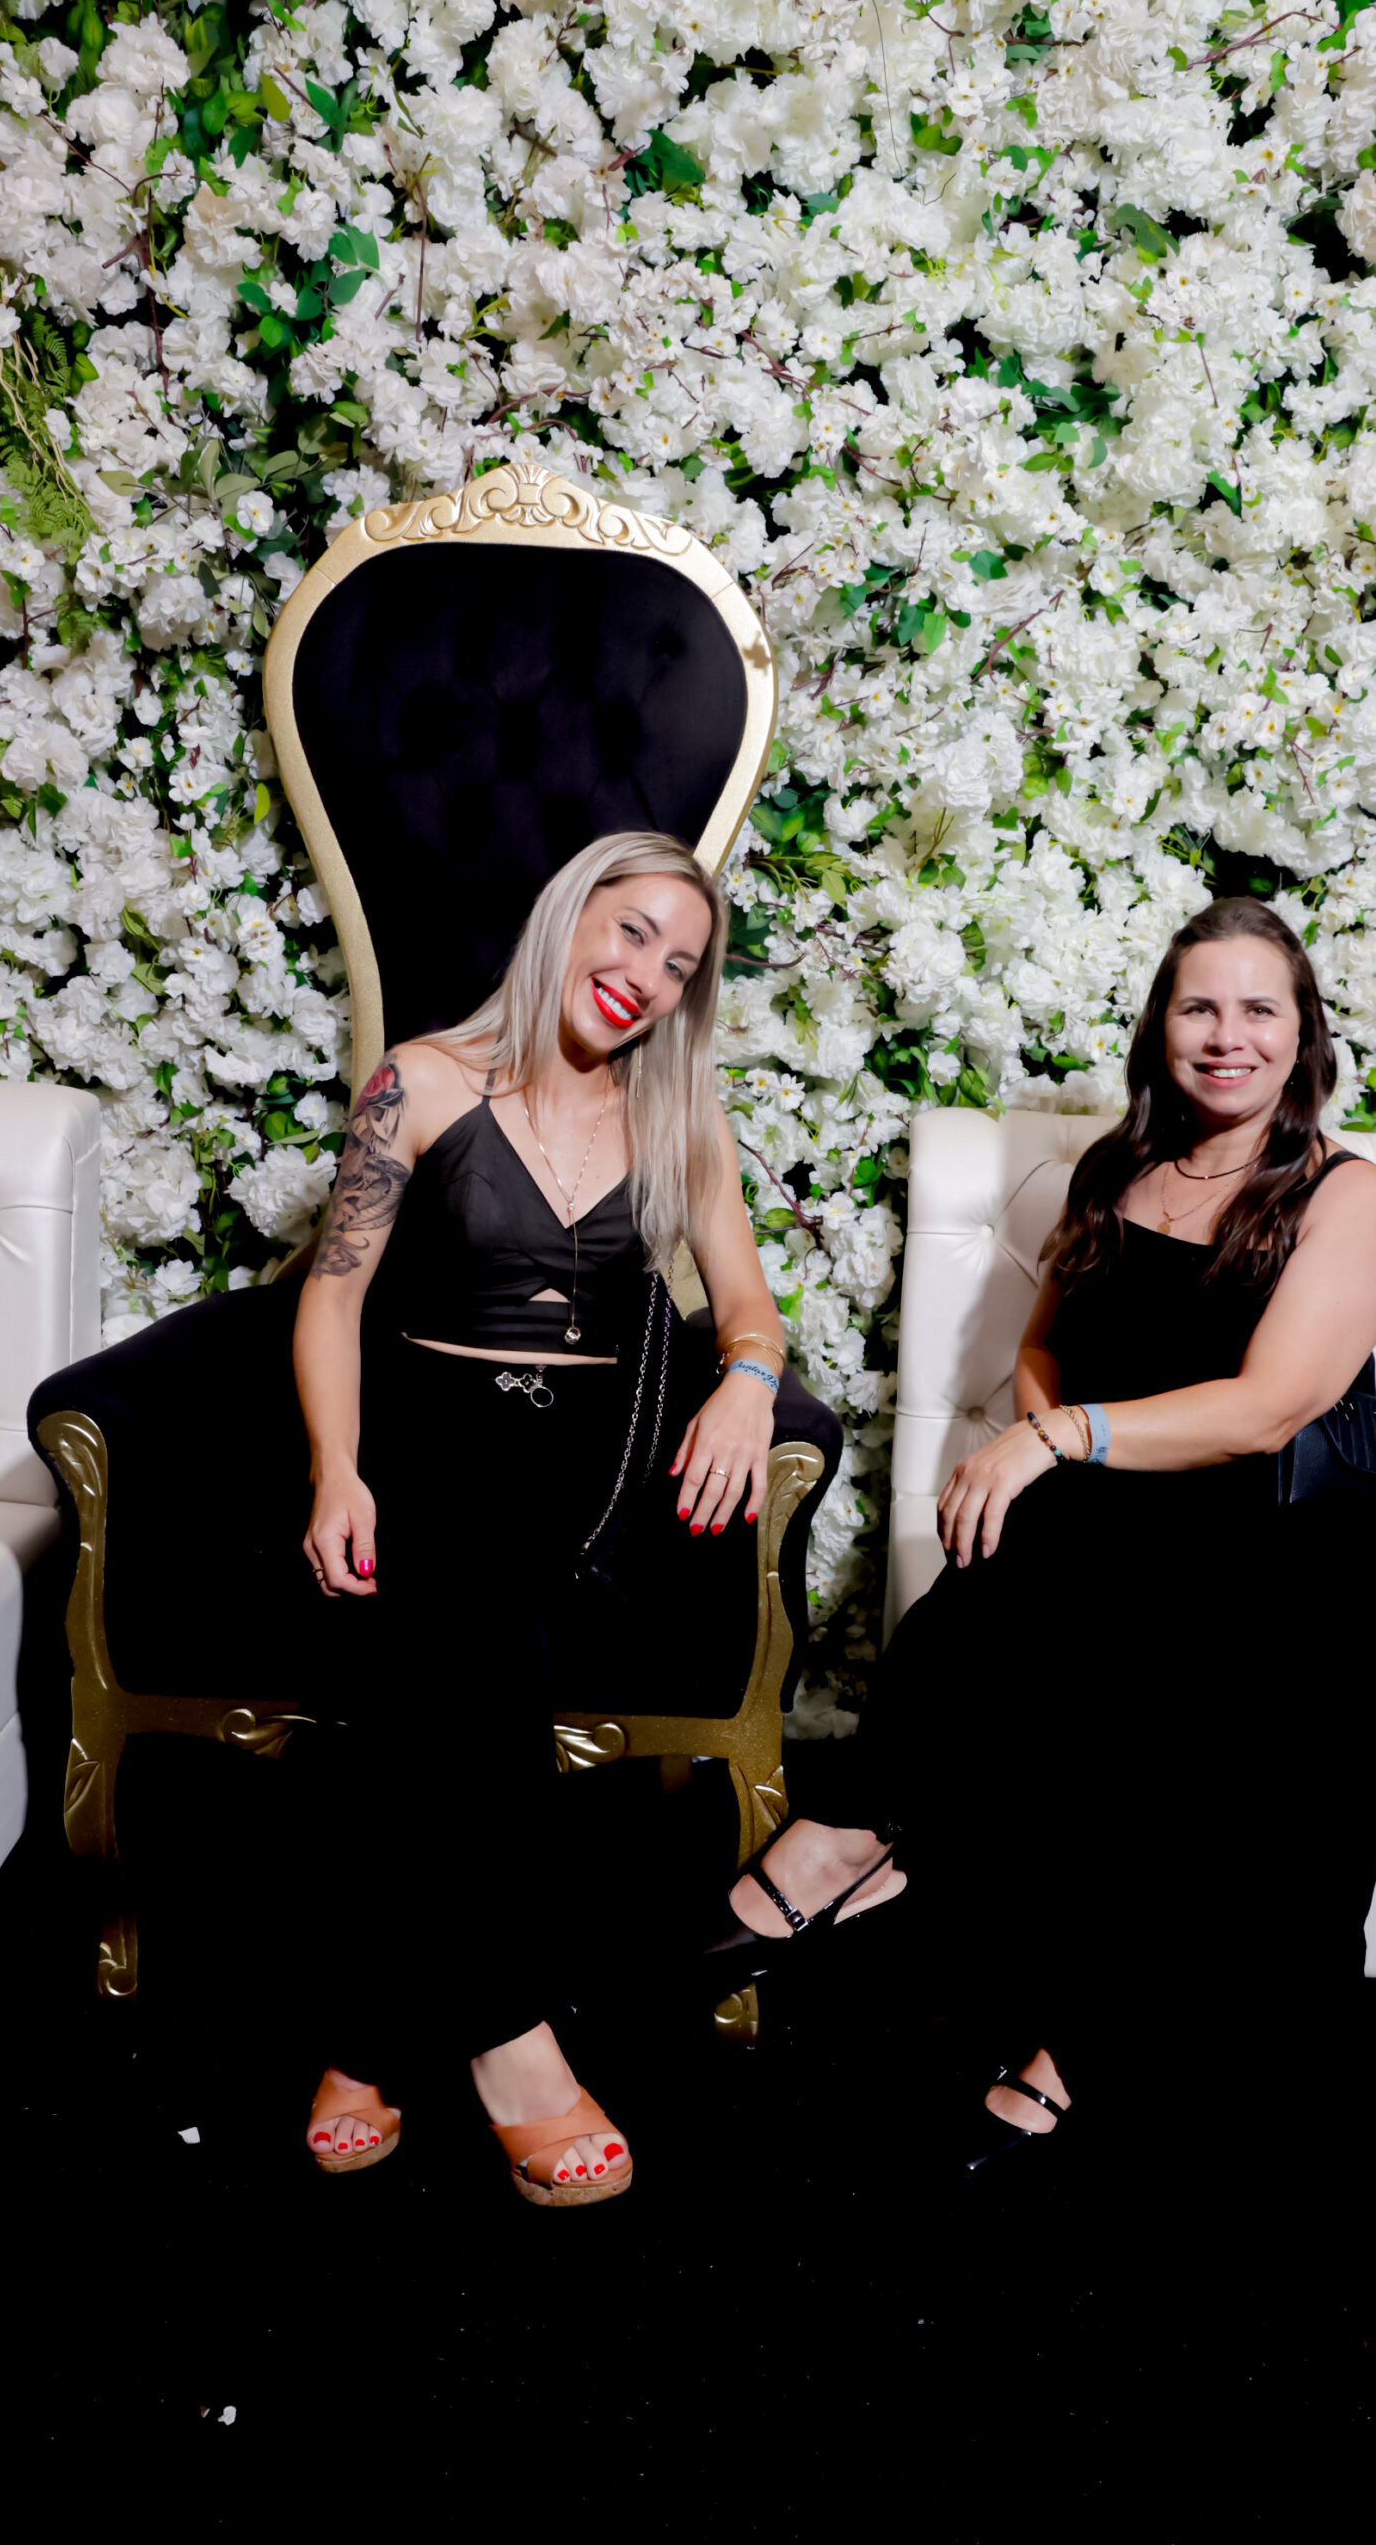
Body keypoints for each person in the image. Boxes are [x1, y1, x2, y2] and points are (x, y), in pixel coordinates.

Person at [706, 897, 1376, 2165]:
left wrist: (1056, 1442)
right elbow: (1045, 1346)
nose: (1229, 1036)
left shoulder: (1345, 1192)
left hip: (1294, 1537)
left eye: (1261, 1009)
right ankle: (855, 1839)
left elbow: (1270, 1406)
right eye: (1200, 1007)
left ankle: (1078, 2030)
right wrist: (1049, 1445)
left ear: (1305, 1035)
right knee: (1009, 1566)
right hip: (1139, 1500)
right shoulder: (1115, 1169)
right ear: (1160, 1026)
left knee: (1213, 1665)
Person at [288, 831, 794, 2203]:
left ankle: (368, 2039)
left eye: (679, 964)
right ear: (567, 917)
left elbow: (747, 1305)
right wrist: (337, 1469)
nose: (647, 974)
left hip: (584, 1476)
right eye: (631, 931)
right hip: (423, 1449)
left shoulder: (677, 1119)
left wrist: (747, 1384)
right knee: (462, 1634)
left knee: (460, 1626)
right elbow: (332, 1295)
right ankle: (508, 2041)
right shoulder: (420, 1082)